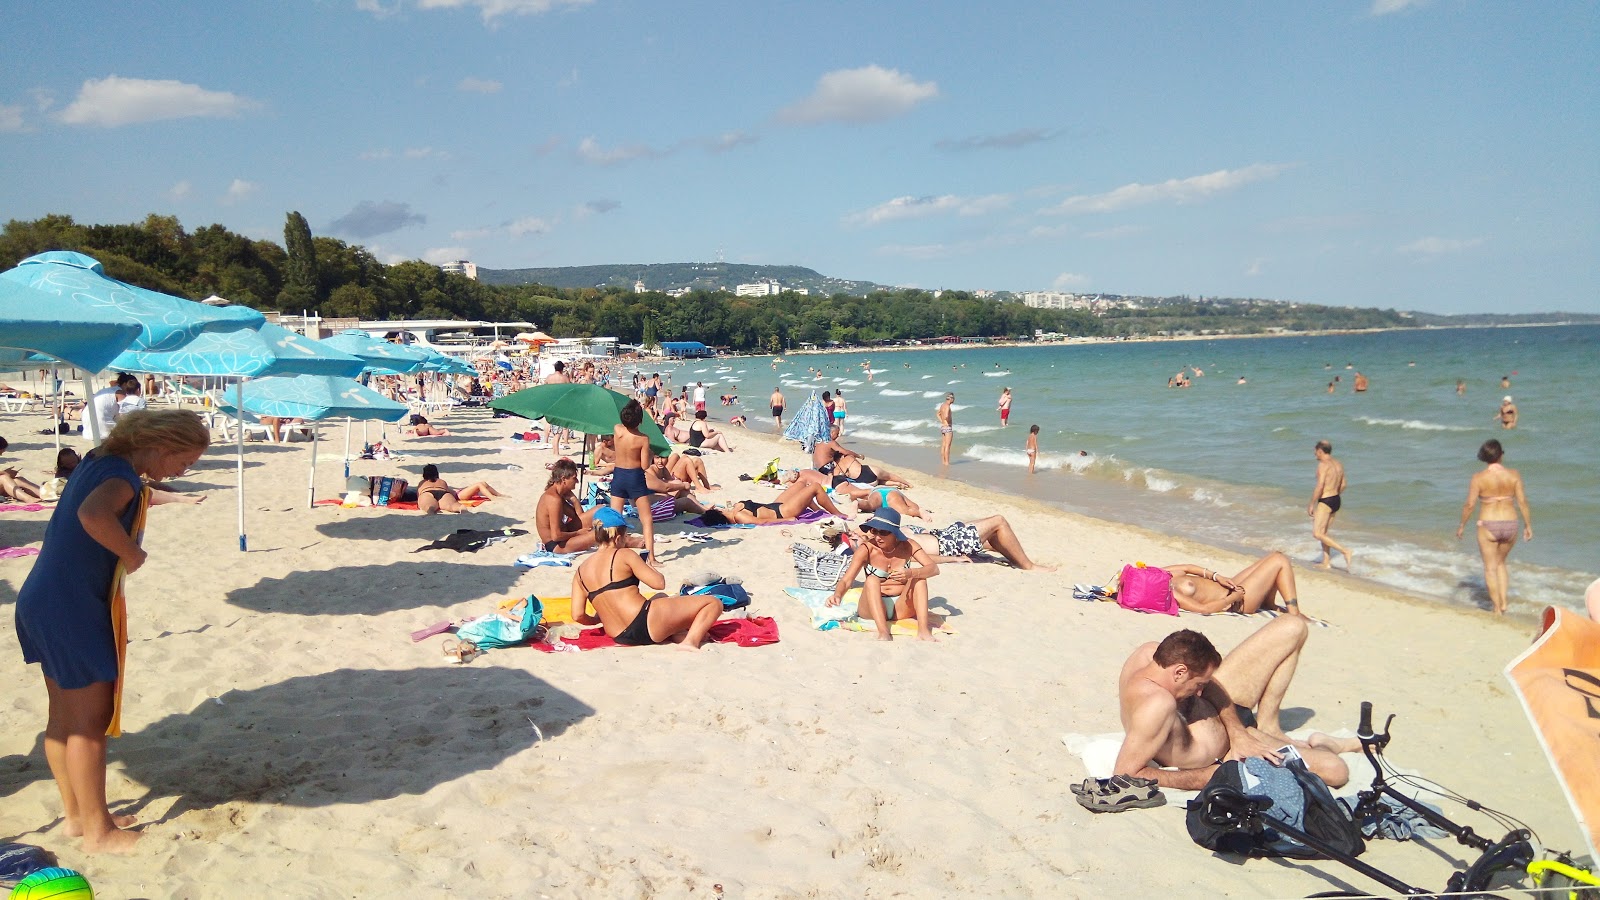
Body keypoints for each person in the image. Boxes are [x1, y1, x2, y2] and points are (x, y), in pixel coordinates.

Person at [14, 409, 210, 852]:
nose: (185, 470)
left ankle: (79, 818)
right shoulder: (120, 476)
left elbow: (129, 497)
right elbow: (94, 513)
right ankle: (100, 834)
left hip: (41, 599)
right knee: (88, 723)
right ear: (161, 445)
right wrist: (132, 554)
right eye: (184, 461)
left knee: (64, 716)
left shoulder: (99, 460)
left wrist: (173, 498)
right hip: (71, 606)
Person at [1113, 623, 1359, 790]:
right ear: (1179, 672)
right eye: (1198, 685)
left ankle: (1270, 726)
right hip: (1230, 751)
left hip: (1234, 729)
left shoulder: (1150, 655)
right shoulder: (1157, 705)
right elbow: (1125, 774)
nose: (1200, 692)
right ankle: (1330, 744)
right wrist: (1214, 775)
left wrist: (1238, 732)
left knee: (1293, 626)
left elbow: (1208, 686)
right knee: (1336, 771)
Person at [570, 507, 722, 650]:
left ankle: (676, 634)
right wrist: (647, 563)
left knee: (660, 598)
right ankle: (690, 642)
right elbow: (659, 583)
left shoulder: (581, 572)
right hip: (645, 624)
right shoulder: (624, 554)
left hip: (619, 635)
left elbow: (577, 615)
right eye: (626, 536)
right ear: (617, 538)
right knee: (713, 603)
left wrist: (597, 619)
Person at [826, 508, 940, 641]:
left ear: (895, 533)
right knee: (872, 580)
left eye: (884, 532)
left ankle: (923, 631)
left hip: (901, 607)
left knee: (919, 579)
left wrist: (911, 573)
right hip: (872, 607)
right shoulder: (867, 549)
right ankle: (884, 632)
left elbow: (934, 569)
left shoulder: (909, 545)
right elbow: (847, 580)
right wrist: (837, 595)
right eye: (874, 531)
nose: (878, 537)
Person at [1456, 439, 1532, 616]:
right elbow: (1522, 501)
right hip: (1510, 523)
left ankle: (1497, 608)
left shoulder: (1478, 478)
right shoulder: (1514, 475)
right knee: (1501, 563)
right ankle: (1504, 602)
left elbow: (1469, 505)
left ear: (1484, 457)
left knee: (1490, 567)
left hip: (1488, 525)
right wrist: (1528, 525)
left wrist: (1462, 525)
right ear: (1501, 455)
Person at [1163, 552, 1307, 616]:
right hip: (1237, 602)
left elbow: (1188, 568)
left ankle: (1268, 603)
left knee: (1275, 554)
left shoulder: (1157, 574)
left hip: (1230, 585)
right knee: (1279, 560)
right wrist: (1233, 598)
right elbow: (1203, 609)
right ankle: (1294, 614)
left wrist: (1217, 577)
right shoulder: (1168, 592)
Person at [609, 399, 661, 564]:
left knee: (614, 518)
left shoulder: (617, 430)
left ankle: (611, 553)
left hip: (618, 475)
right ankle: (651, 557)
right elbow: (645, 465)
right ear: (640, 420)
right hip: (634, 477)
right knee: (646, 519)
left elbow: (623, 423)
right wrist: (652, 453)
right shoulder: (643, 439)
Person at [906, 515, 1054, 571]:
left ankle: (1013, 554)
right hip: (949, 546)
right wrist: (953, 559)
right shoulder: (894, 542)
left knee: (988, 530)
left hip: (944, 534)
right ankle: (1028, 566)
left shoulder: (890, 531)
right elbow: (917, 557)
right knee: (999, 521)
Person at [537, 459, 623, 554]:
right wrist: (578, 533)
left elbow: (578, 517)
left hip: (564, 534)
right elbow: (556, 536)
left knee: (599, 509)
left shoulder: (558, 494)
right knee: (602, 533)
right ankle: (633, 541)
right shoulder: (553, 499)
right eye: (574, 478)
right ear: (563, 479)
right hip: (556, 544)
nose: (577, 481)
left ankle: (622, 536)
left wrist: (574, 499)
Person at [700, 479, 848, 526]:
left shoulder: (732, 511)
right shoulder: (738, 517)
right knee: (815, 486)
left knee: (801, 483)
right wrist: (787, 520)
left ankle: (817, 511)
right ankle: (838, 513)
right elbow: (762, 522)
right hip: (782, 512)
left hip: (774, 505)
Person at [1308, 440, 1352, 572]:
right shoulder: (1338, 464)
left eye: (1315, 451)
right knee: (1324, 533)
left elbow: (1320, 486)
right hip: (1336, 499)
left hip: (1326, 500)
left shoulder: (1323, 465)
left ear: (1320, 451)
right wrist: (1335, 494)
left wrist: (1312, 504)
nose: (1314, 454)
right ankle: (1326, 562)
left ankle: (1345, 551)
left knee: (1317, 533)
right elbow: (1344, 484)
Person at [415, 463, 504, 514]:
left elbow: (418, 496)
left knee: (429, 507)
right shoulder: (442, 481)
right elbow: (447, 490)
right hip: (443, 493)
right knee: (454, 506)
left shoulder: (422, 483)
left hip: (427, 492)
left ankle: (431, 512)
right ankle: (463, 509)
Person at [937, 393, 955, 466]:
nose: (954, 400)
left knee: (943, 445)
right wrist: (947, 420)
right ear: (950, 399)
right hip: (947, 427)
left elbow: (938, 414)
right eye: (953, 398)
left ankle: (943, 462)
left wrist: (942, 421)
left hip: (943, 427)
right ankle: (947, 462)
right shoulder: (947, 406)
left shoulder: (942, 405)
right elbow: (946, 416)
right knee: (948, 445)